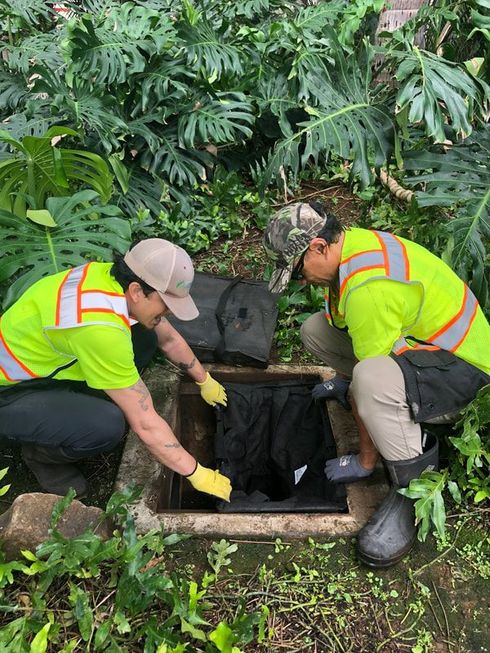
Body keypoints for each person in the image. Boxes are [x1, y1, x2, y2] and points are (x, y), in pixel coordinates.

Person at [263, 202, 490, 567]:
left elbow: (369, 356)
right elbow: (355, 331)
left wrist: (365, 460)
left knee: (369, 382)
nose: (299, 281)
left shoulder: (368, 287)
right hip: (428, 348)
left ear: (319, 247)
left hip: (467, 375)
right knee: (315, 330)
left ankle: (410, 489)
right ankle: (375, 393)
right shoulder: (351, 249)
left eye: (297, 271)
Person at [0, 238, 232, 502]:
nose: (169, 313)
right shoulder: (101, 330)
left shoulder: (111, 279)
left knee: (146, 335)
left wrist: (204, 380)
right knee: (106, 424)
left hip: (49, 364)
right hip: (11, 391)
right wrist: (195, 472)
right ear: (137, 291)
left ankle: (80, 405)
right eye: (166, 304)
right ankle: (42, 457)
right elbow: (145, 424)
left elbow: (167, 339)